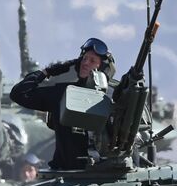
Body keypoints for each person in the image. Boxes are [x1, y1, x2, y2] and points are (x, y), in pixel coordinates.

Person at [10, 37, 115, 169]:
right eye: (84, 59)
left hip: (104, 173)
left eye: (92, 60)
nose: (85, 63)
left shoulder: (113, 98)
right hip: (68, 175)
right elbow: (19, 93)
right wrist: (47, 72)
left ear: (103, 68)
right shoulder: (65, 94)